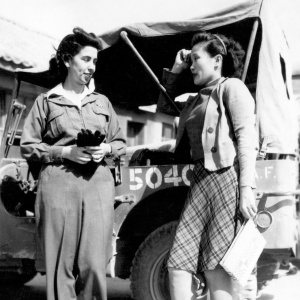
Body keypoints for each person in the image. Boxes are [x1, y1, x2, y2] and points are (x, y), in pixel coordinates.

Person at [20, 28, 126, 300]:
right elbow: (29, 146)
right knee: (61, 266)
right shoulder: (46, 102)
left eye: (95, 62)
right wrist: (64, 152)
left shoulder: (102, 102)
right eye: (86, 59)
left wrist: (106, 148)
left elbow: (120, 143)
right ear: (68, 60)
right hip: (58, 187)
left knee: (93, 265)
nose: (92, 67)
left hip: (98, 188)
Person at [157, 32, 258, 300]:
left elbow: (247, 139)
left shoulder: (232, 87)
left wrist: (246, 188)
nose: (191, 65)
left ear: (216, 60)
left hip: (226, 180)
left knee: (217, 269)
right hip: (200, 182)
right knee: (178, 264)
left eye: (195, 59)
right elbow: (164, 106)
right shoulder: (194, 99)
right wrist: (176, 70)